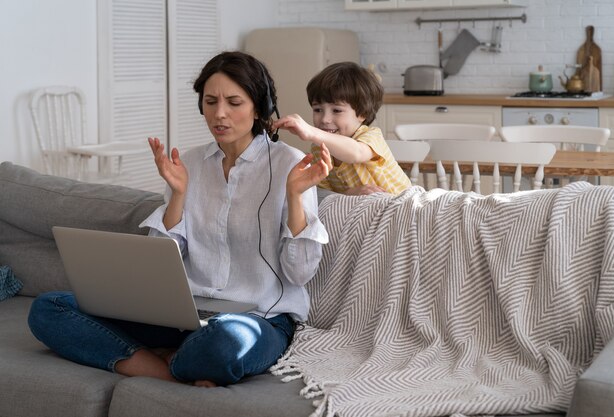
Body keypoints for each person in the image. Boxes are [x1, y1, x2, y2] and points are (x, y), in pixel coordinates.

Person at [28, 51, 332, 387]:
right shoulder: (189, 164)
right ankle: (163, 366)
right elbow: (159, 265)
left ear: (259, 107)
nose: (220, 114)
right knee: (49, 308)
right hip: (184, 314)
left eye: (234, 102)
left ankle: (172, 357)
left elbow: (300, 272)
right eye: (210, 101)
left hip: (261, 318)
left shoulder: (293, 166)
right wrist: (178, 195)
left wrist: (293, 197)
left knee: (226, 343)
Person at [273, 61, 411, 196]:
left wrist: (311, 132)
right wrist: (350, 193)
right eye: (318, 109)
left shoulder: (370, 135)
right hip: (366, 212)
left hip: (403, 206)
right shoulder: (318, 150)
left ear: (362, 113)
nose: (325, 119)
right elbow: (324, 194)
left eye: (337, 110)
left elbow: (356, 153)